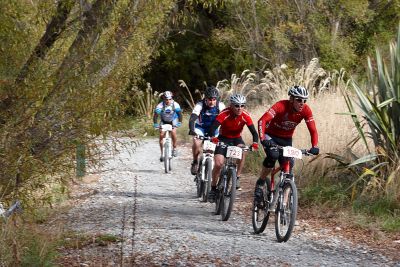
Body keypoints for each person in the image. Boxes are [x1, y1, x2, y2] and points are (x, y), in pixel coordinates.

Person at [255, 85, 319, 210]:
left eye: (304, 100)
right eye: (299, 100)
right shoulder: (280, 106)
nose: (302, 103)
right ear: (291, 99)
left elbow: (313, 130)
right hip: (270, 136)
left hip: (286, 139)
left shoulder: (306, 110)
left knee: (289, 166)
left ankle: (283, 206)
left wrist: (314, 146)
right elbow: (262, 121)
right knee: (273, 155)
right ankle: (261, 182)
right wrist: (262, 139)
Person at [206, 93, 259, 202]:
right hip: (223, 139)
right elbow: (213, 128)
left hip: (236, 139)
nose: (239, 108)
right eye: (236, 105)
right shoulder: (224, 113)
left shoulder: (245, 116)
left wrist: (255, 143)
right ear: (231, 105)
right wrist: (213, 138)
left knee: (243, 150)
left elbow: (254, 133)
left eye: (242, 106)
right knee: (218, 164)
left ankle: (237, 177)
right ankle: (213, 188)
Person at [188, 86, 226, 175]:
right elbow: (192, 118)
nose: (212, 102)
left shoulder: (220, 106)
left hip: (214, 129)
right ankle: (195, 162)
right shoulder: (200, 105)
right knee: (197, 143)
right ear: (205, 98)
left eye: (214, 99)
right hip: (200, 127)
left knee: (216, 149)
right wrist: (192, 130)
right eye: (209, 99)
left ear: (216, 99)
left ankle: (213, 167)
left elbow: (226, 120)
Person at [153, 91, 182, 161]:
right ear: (163, 99)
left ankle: (174, 148)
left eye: (169, 99)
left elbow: (180, 114)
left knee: (173, 133)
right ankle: (162, 153)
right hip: (164, 121)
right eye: (166, 99)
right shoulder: (160, 105)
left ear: (172, 99)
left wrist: (180, 122)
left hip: (173, 120)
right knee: (161, 135)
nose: (168, 101)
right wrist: (155, 124)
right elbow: (156, 116)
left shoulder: (175, 104)